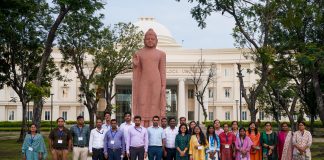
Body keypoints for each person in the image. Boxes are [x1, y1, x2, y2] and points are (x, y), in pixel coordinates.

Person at [132, 28, 166, 124]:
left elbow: (162, 71)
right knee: (142, 101)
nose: (150, 40)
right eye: (148, 38)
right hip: (143, 80)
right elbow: (136, 68)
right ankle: (142, 122)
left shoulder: (161, 54)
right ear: (144, 40)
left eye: (152, 39)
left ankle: (154, 122)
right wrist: (135, 63)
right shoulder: (139, 53)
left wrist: (163, 85)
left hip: (156, 81)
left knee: (154, 102)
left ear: (156, 41)